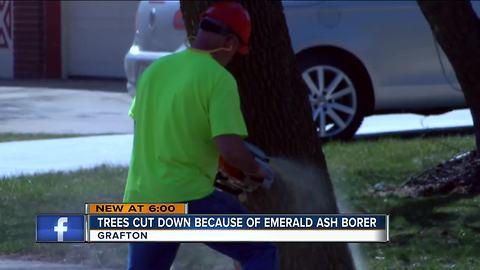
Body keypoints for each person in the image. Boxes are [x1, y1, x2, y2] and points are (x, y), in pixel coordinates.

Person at [123, 2, 279, 270]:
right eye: (237, 51)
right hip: (187, 196)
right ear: (230, 42)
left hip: (142, 198)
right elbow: (229, 148)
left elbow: (149, 128)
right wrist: (255, 172)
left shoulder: (156, 70)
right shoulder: (218, 79)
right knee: (260, 246)